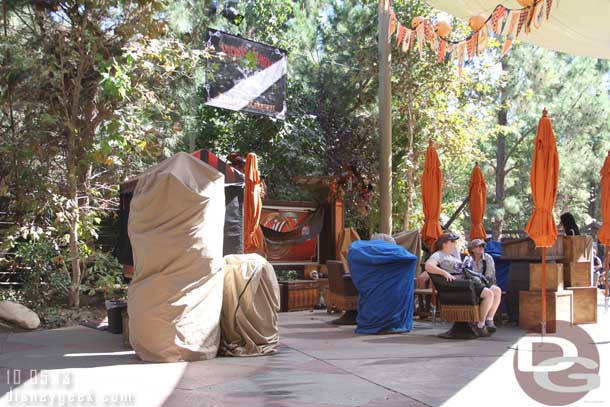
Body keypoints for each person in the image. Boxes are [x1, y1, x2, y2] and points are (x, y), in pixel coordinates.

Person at [424, 232, 496, 337]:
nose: (454, 244)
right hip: (460, 285)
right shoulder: (439, 254)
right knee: (489, 294)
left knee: (492, 292)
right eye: (452, 241)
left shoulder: (451, 255)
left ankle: (481, 323)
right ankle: (480, 324)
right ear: (444, 243)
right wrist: (445, 273)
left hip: (466, 283)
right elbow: (428, 266)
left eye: (455, 241)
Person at [462, 239, 503, 332]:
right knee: (491, 292)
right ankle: (481, 322)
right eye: (478, 246)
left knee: (497, 290)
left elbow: (489, 275)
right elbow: (463, 272)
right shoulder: (468, 259)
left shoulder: (488, 258)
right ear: (472, 249)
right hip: (472, 285)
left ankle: (489, 319)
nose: (481, 248)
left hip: (486, 282)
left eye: (483, 246)